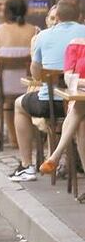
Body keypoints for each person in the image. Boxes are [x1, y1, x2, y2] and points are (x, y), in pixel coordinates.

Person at [11, 0, 85, 181]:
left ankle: (27, 166)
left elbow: (36, 74)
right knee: (78, 115)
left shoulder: (42, 36)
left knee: (18, 105)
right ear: (81, 17)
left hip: (49, 102)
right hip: (73, 99)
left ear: (57, 17)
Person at [0, 0, 38, 148]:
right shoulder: (35, 31)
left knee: (6, 101)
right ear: (25, 10)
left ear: (7, 11)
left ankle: (14, 139)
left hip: (5, 87)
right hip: (28, 86)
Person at [40, 35, 85, 177]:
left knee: (79, 109)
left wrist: (80, 82)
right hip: (80, 98)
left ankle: (56, 155)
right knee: (82, 122)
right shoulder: (76, 45)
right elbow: (69, 79)